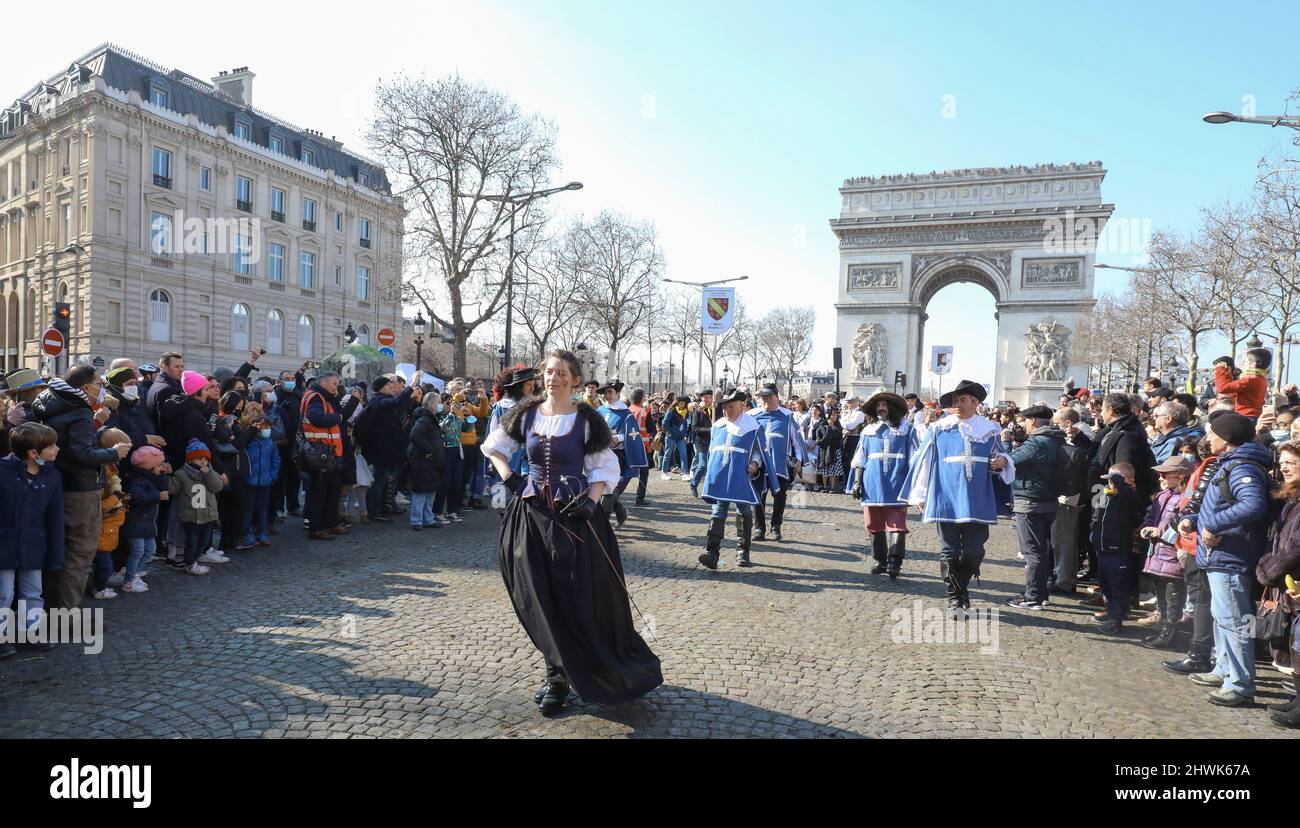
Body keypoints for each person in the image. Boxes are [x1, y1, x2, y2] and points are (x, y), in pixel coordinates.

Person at [482, 348, 662, 716]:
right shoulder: (526, 413)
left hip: (575, 519)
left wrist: (592, 503)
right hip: (530, 516)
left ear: (575, 379)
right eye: (549, 371)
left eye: (563, 372)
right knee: (538, 594)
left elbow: (603, 467)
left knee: (577, 596)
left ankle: (590, 667)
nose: (555, 377)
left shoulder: (586, 419)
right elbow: (495, 449)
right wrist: (513, 480)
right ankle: (556, 677)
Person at [1176, 409, 1272, 706]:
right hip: (1220, 553)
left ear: (1226, 438)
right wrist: (1194, 519)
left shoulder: (1242, 467)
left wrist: (1212, 524)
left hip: (1231, 554)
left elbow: (1253, 505)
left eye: (1212, 433)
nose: (1208, 438)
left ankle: (1241, 684)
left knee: (1234, 621)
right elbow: (1218, 505)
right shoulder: (1230, 463)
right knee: (1222, 617)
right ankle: (1224, 669)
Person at [901, 379, 1014, 617]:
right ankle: (956, 597)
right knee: (949, 551)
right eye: (955, 401)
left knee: (974, 552)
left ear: (976, 403)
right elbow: (924, 462)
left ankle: (960, 588)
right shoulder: (940, 428)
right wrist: (921, 495)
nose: (958, 405)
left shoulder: (990, 429)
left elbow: (1002, 456)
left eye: (962, 400)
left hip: (978, 499)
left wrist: (1003, 462)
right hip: (946, 497)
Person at [31, 366, 130, 609]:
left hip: (55, 483)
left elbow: (65, 442)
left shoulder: (49, 400)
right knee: (80, 552)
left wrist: (95, 423)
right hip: (80, 488)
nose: (103, 389)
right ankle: (68, 612)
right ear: (85, 387)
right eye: (100, 383)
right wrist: (113, 452)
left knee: (60, 549)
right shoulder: (78, 411)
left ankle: (55, 607)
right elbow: (81, 453)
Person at [0, 422, 64, 657]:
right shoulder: (3, 472)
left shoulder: (52, 476)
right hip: (4, 545)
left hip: (33, 545)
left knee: (33, 591)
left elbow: (55, 518)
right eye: (52, 446)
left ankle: (32, 631)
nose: (57, 449)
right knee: (3, 593)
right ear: (33, 453)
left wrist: (57, 554)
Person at [848, 392, 917, 578]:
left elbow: (915, 458)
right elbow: (859, 458)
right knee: (873, 523)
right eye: (878, 405)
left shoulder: (906, 429)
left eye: (885, 405)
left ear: (892, 408)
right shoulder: (868, 431)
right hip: (872, 481)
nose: (881, 408)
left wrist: (914, 484)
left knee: (896, 523)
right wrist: (857, 481)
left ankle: (895, 561)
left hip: (897, 481)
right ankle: (881, 560)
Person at [1004, 404, 1065, 610]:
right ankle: (1041, 592)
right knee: (1043, 550)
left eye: (1027, 421)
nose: (1025, 425)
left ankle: (1033, 597)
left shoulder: (1036, 443)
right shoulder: (1057, 440)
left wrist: (1005, 444)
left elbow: (1009, 462)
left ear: (1034, 422)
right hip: (1049, 502)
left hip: (1031, 502)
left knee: (1032, 552)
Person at [698, 388, 764, 569]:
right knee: (717, 511)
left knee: (743, 510)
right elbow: (713, 451)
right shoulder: (718, 425)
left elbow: (759, 451)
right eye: (724, 407)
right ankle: (712, 553)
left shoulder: (753, 426)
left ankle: (743, 552)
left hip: (740, 476)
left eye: (730, 406)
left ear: (742, 405)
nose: (726, 410)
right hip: (720, 477)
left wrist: (755, 464)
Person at [1259, 442, 1300, 727]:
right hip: (1289, 581)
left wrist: (1271, 568)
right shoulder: (1290, 500)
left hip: (1295, 577)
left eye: (1292, 462)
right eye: (1282, 462)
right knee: (1295, 643)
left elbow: (1296, 547)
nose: (1283, 467)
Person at [1137, 456, 1193, 648]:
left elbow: (1184, 526)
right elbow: (1152, 516)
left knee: (1174, 598)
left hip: (1172, 554)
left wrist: (1161, 532)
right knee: (1162, 594)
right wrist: (1146, 527)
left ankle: (1170, 635)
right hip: (1157, 553)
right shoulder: (1163, 496)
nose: (1161, 477)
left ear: (1180, 476)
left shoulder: (1187, 499)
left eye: (1166, 474)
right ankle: (1163, 629)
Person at [752, 383, 810, 543]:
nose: (766, 401)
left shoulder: (787, 416)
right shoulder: (754, 416)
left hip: (781, 465)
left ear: (777, 398)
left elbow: (796, 441)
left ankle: (776, 526)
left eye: (769, 398)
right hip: (760, 464)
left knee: (779, 496)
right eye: (764, 398)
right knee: (758, 496)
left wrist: (798, 459)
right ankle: (759, 528)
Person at [1091, 462, 1141, 634]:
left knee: (1118, 584)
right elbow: (1098, 516)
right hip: (1103, 546)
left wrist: (1119, 482)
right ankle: (1111, 610)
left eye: (1116, 479)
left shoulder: (1129, 495)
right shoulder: (1109, 495)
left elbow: (1130, 499)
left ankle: (1117, 618)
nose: (1111, 483)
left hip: (1118, 548)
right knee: (1105, 582)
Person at [1049, 407, 1092, 595]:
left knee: (1064, 541)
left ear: (1067, 423)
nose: (1053, 427)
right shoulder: (1078, 436)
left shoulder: (1082, 436)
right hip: (1071, 496)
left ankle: (1064, 580)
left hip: (1069, 497)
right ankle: (1064, 577)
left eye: (1055, 424)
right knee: (1064, 541)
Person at [300, 371, 347, 540]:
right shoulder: (315, 397)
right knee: (319, 492)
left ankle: (330, 522)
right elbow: (316, 418)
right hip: (320, 453)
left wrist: (334, 398)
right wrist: (338, 417)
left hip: (327, 452)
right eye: (334, 384)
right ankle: (317, 527)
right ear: (324, 382)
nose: (336, 387)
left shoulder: (321, 396)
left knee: (331, 490)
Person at [597, 379, 646, 529]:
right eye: (605, 393)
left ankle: (602, 525)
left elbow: (632, 435)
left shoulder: (626, 414)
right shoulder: (600, 411)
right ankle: (620, 511)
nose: (607, 396)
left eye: (610, 392)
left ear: (618, 393)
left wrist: (616, 438)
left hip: (616, 456)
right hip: (599, 455)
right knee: (602, 486)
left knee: (608, 488)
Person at [173, 438, 224, 575]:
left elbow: (217, 486)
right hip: (191, 515)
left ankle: (195, 558)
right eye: (198, 459)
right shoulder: (181, 474)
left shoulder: (210, 472)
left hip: (208, 514)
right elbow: (172, 488)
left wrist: (208, 473)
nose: (203, 462)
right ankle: (189, 563)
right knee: (192, 540)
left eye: (205, 459)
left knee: (203, 541)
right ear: (190, 460)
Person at [122, 445, 169, 592]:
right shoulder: (137, 480)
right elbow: (136, 498)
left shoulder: (151, 478)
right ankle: (128, 580)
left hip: (146, 523)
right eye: (159, 465)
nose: (161, 468)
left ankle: (134, 573)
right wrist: (157, 496)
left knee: (150, 550)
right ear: (149, 466)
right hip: (136, 522)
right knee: (137, 551)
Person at [92, 427, 132, 600]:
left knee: (105, 561)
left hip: (110, 526)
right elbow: (100, 503)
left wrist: (121, 501)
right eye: (125, 449)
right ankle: (99, 588)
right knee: (103, 564)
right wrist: (118, 500)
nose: (126, 454)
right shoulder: (103, 470)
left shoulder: (111, 467)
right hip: (103, 527)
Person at [406, 393, 446, 530]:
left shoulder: (432, 419)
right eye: (439, 402)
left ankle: (428, 519)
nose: (440, 405)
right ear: (431, 404)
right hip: (423, 461)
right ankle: (416, 520)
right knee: (421, 493)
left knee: (430, 492)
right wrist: (429, 449)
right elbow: (414, 435)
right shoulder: (425, 420)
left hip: (431, 462)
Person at [243, 414, 280, 547]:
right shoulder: (249, 442)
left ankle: (262, 533)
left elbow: (276, 460)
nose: (266, 429)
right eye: (264, 426)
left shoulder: (270, 443)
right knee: (248, 510)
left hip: (265, 481)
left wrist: (272, 476)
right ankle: (247, 533)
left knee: (263, 509)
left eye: (268, 427)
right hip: (250, 481)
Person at [1214, 350, 1270, 420]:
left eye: (1245, 361)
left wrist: (1219, 369)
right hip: (1253, 416)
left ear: (1253, 364)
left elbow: (1222, 388)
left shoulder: (1250, 379)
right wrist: (1228, 375)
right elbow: (1232, 393)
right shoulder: (1260, 378)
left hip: (1246, 416)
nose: (1242, 363)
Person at [688, 389, 715, 497]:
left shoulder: (715, 409)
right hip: (702, 442)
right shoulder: (698, 411)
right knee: (703, 465)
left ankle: (711, 489)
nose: (706, 399)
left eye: (709, 397)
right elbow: (694, 428)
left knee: (712, 465)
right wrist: (709, 429)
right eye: (704, 397)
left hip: (714, 441)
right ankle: (693, 484)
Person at [816, 407, 845, 493]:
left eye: (836, 414)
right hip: (824, 449)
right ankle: (825, 487)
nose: (834, 416)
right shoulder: (822, 424)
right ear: (828, 415)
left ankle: (832, 488)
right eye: (833, 414)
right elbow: (818, 435)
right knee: (824, 469)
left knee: (833, 469)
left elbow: (839, 438)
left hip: (834, 450)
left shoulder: (838, 426)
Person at [660, 396, 690, 480]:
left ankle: (685, 473)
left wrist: (684, 433)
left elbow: (686, 424)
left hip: (681, 437)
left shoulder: (686, 412)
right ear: (677, 403)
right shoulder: (671, 410)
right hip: (670, 436)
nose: (682, 405)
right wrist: (673, 431)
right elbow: (664, 422)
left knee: (683, 455)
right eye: (681, 403)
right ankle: (664, 472)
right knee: (668, 454)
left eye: (684, 403)